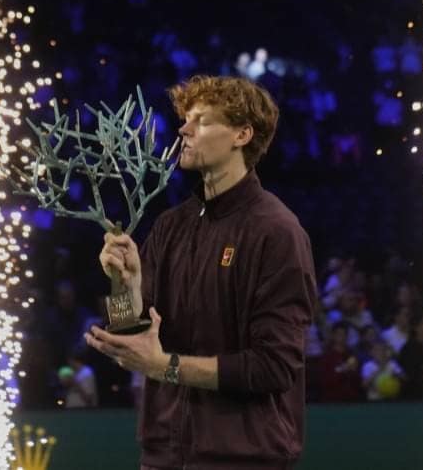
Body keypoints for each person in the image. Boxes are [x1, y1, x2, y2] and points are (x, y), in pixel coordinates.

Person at [85, 75, 317, 469]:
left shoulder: (277, 232)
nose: (183, 130)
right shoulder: (171, 225)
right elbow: (133, 336)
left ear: (242, 134)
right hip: (163, 457)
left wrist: (166, 367)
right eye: (185, 119)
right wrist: (124, 284)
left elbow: (273, 367)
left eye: (203, 121)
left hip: (243, 460)